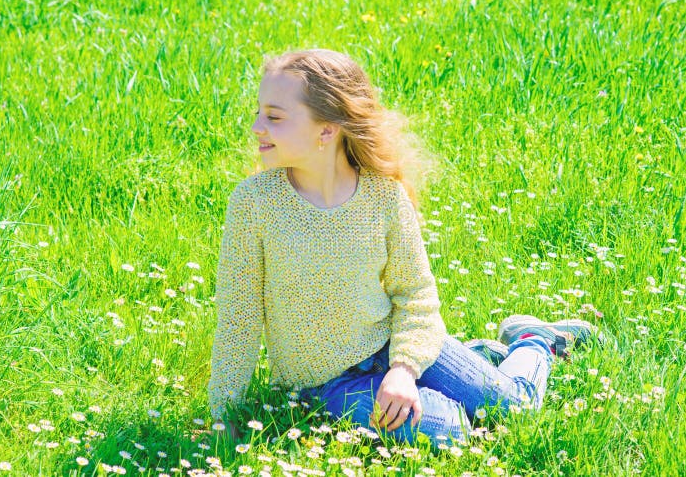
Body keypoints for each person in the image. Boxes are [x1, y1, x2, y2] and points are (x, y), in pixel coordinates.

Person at [207, 48, 604, 446]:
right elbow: (237, 319)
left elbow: (415, 294)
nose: (257, 126)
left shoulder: (384, 197)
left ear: (326, 130)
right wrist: (225, 415)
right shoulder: (254, 203)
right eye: (259, 112)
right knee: (454, 431)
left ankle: (534, 341)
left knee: (513, 409)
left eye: (274, 117)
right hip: (326, 386)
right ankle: (479, 358)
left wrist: (404, 368)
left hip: (397, 345)